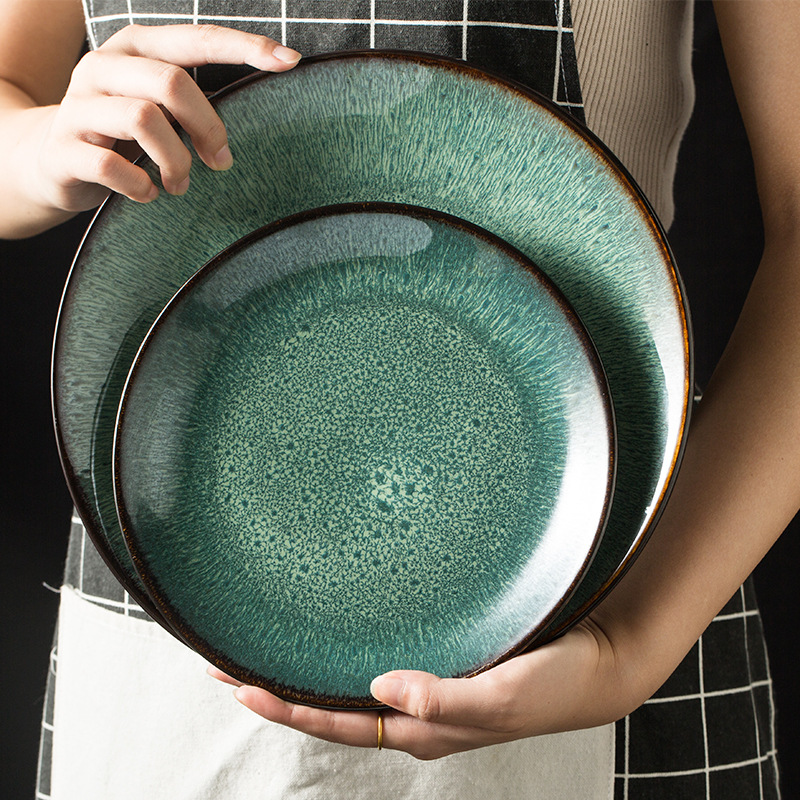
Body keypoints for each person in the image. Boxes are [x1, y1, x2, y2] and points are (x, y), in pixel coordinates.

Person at [1, 1, 795, 797]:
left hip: (604, 602)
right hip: (158, 608)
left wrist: (630, 648)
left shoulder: (621, 638)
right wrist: (37, 150)